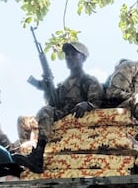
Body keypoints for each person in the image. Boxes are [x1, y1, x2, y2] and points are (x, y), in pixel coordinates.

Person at [14, 41, 103, 173]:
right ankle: (38, 154)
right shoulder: (63, 85)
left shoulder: (89, 80)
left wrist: (87, 104)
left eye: (73, 54)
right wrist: (47, 86)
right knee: (44, 111)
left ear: (83, 58)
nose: (69, 57)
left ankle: (38, 156)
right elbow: (52, 105)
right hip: (62, 114)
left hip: (75, 114)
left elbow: (97, 102)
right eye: (67, 54)